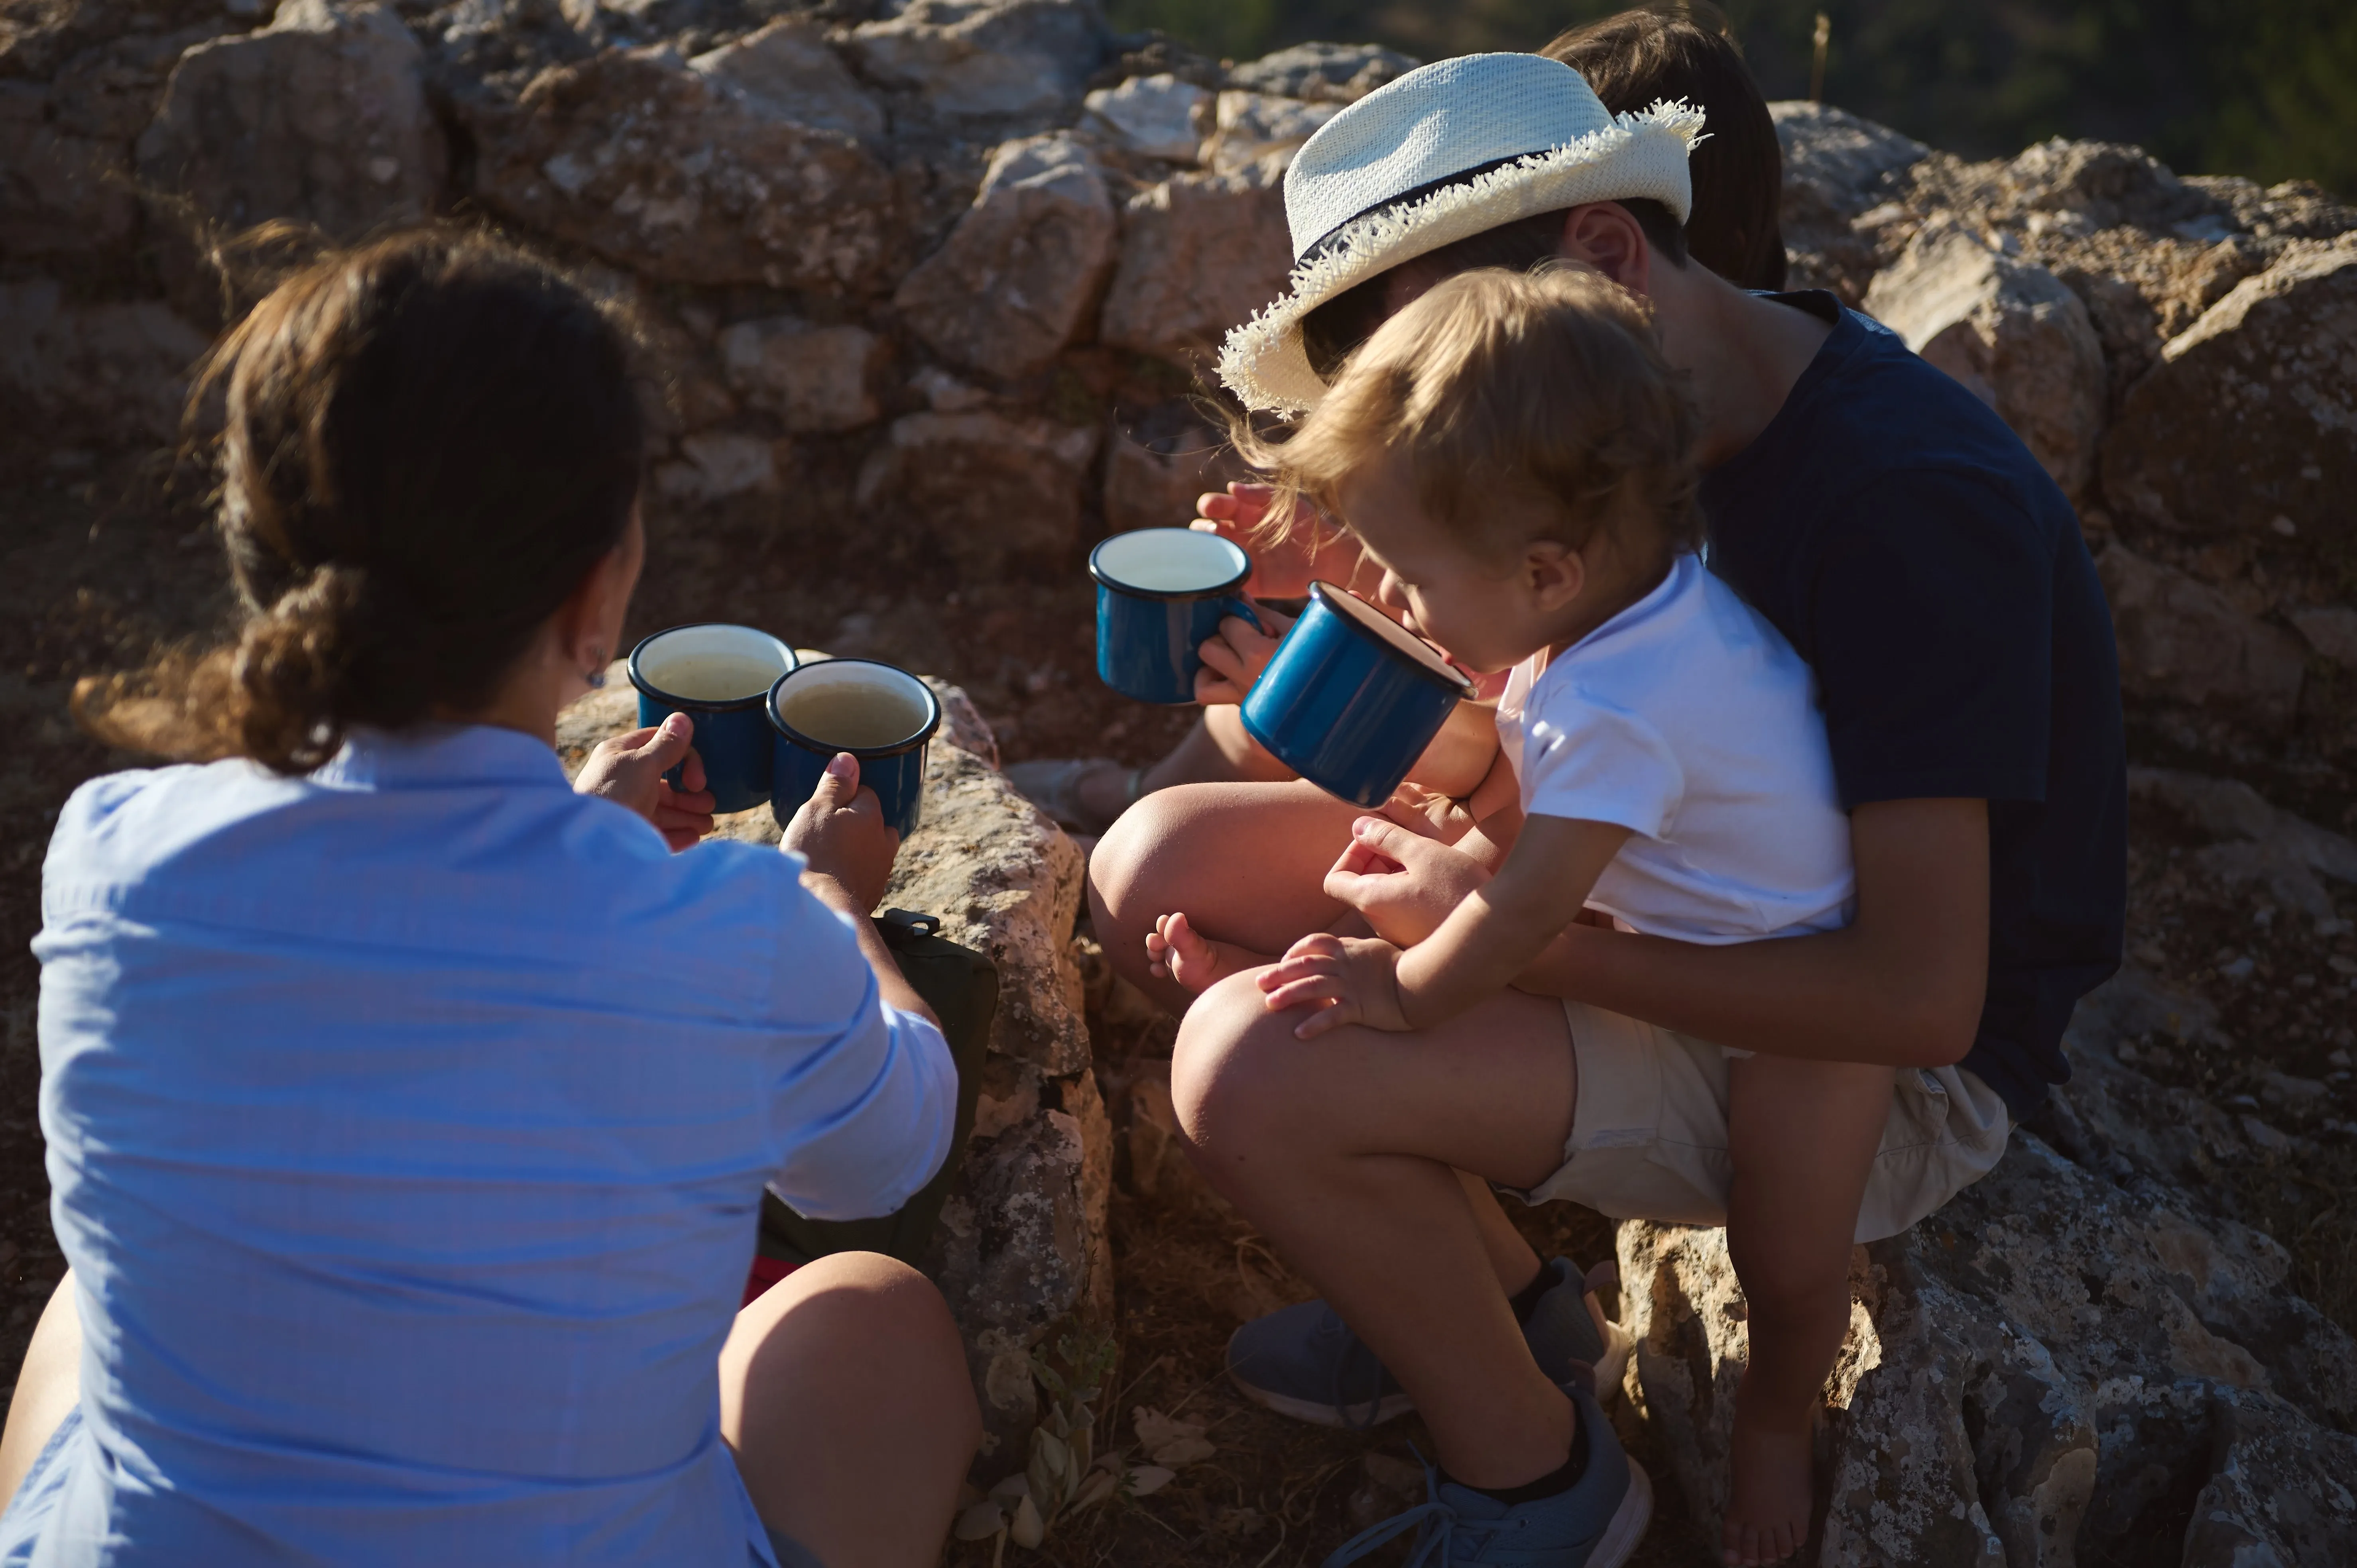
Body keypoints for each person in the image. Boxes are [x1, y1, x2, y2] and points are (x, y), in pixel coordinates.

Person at [1090, 48, 2124, 1568]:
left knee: (1249, 1067)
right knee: (1156, 863)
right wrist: (1358, 604)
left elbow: (1917, 1000)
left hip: (1843, 1044)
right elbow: (1545, 754)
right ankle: (1496, 1304)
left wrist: (1498, 939)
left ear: (1603, 256)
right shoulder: (1603, 436)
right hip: (1647, 888)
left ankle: (1542, 1486)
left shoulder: (1901, 509)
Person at [0, 231, 981, 1568]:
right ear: (595, 599)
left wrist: (571, 830)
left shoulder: (114, 855)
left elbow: (394, 981)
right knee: (877, 1319)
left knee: (90, 1302)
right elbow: (888, 1153)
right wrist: (829, 903)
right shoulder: (734, 934)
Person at [1009, 1, 1786, 835]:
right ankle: (1136, 792)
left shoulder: (1666, 497)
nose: (1431, 367)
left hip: (1526, 815)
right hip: (1503, 757)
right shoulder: (1601, 421)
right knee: (1259, 706)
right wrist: (1353, 558)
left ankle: (1132, 814)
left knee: (1161, 848)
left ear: (1608, 249)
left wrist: (1318, 690)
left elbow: (1518, 759)